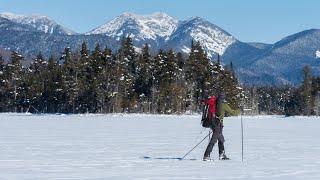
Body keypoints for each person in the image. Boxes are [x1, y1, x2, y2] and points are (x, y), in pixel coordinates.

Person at [203, 92, 241, 161]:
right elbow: (233, 112)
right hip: (218, 124)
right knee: (213, 140)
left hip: (212, 123)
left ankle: (222, 155)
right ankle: (206, 156)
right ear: (223, 97)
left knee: (221, 139)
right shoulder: (223, 105)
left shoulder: (214, 103)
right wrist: (240, 109)